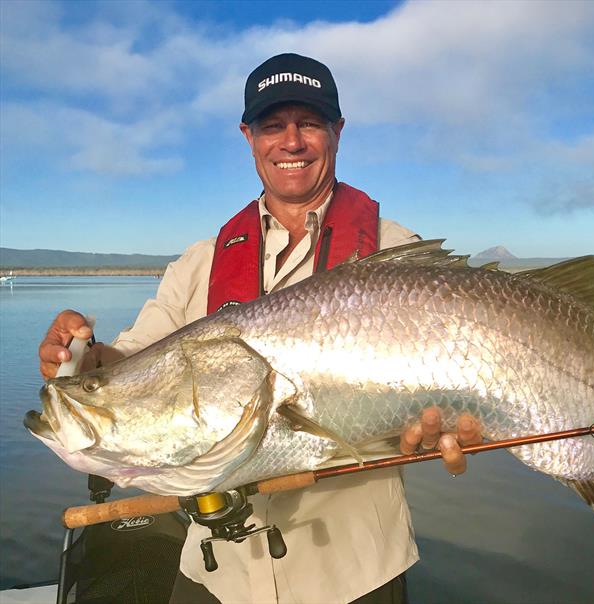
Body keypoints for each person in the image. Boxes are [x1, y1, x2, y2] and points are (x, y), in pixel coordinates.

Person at [38, 53, 482, 604]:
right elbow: (132, 361)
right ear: (248, 136)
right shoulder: (200, 262)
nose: (290, 142)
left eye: (310, 123)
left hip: (354, 569)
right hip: (216, 570)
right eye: (273, 125)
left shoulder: (395, 255)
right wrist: (84, 360)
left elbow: (458, 389)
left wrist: (459, 424)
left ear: (337, 131)